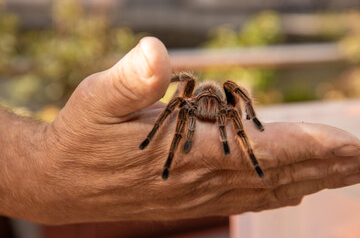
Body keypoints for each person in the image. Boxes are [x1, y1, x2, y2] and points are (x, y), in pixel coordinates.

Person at [0, 37, 359, 225]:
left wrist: (250, 121)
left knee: (228, 104)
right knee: (183, 90)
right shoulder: (186, 101)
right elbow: (177, 97)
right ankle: (167, 145)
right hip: (193, 100)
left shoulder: (224, 105)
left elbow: (237, 109)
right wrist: (159, 113)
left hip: (219, 102)